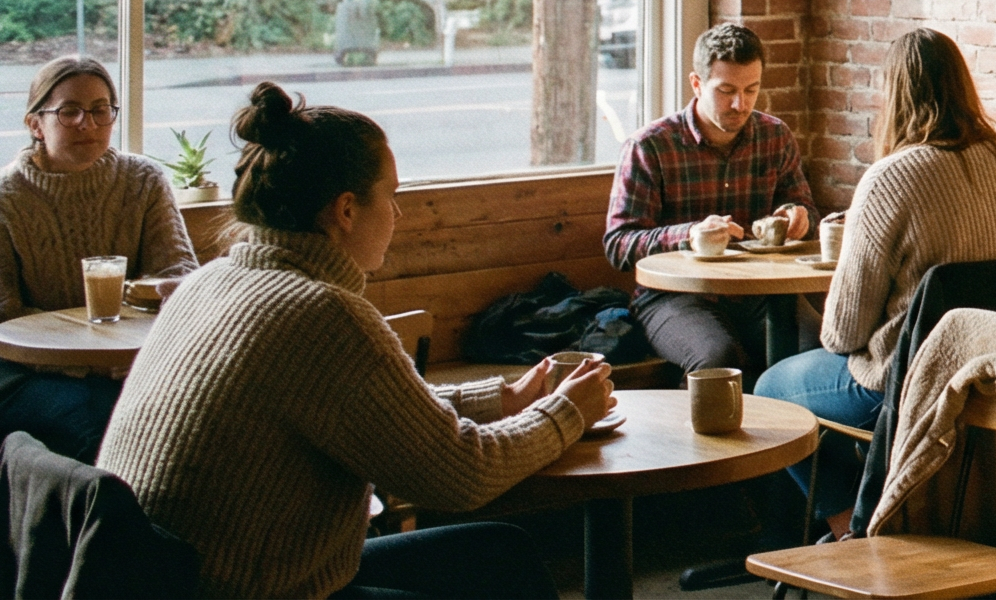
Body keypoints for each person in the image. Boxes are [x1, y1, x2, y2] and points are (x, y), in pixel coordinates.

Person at [99, 83, 613, 600]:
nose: (399, 215)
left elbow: (359, 411)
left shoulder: (210, 282)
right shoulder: (320, 314)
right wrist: (565, 413)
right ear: (346, 210)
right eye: (391, 196)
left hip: (160, 577)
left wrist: (501, 399)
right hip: (239, 591)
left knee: (500, 555)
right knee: (501, 566)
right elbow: (461, 476)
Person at [753, 27, 996, 533]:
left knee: (768, 392)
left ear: (893, 96)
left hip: (913, 379)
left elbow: (843, 334)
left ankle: (855, 529)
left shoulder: (890, 178)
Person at [0, 55, 198, 460]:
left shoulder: (143, 180)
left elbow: (178, 274)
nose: (87, 124)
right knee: (101, 429)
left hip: (130, 363)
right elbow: (5, 314)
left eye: (100, 110)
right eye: (68, 111)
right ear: (35, 124)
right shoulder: (7, 198)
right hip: (28, 371)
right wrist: (85, 362)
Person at [604, 21, 815, 374]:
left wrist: (800, 216)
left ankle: (795, 430)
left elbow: (805, 210)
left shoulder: (775, 136)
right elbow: (618, 245)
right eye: (726, 90)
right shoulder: (649, 146)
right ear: (696, 84)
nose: (740, 103)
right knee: (719, 361)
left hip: (762, 293)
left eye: (752, 89)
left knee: (818, 356)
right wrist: (688, 236)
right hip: (673, 297)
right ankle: (685, 427)